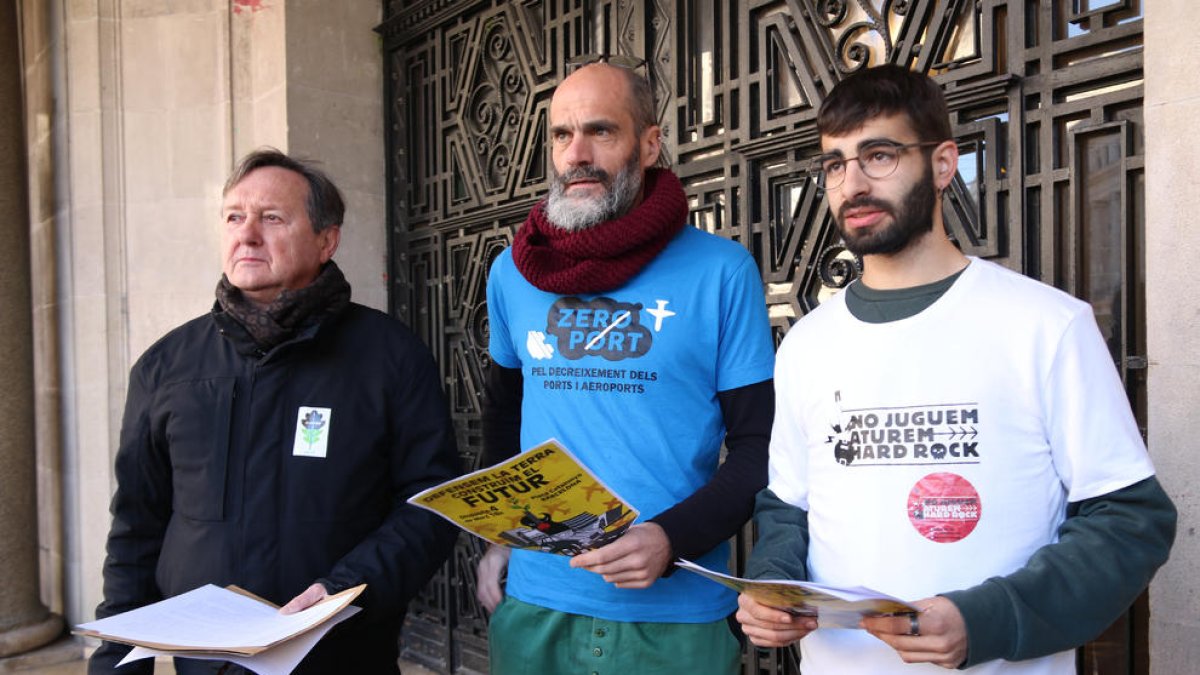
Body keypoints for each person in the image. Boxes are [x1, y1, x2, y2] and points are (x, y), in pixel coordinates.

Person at [735, 65, 1177, 674]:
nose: (852, 183)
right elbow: (788, 507)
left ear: (943, 164)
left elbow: (1130, 520)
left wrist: (984, 620)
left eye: (879, 155)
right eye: (835, 164)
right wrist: (773, 584)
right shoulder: (807, 342)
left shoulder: (1045, 325)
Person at [90, 149, 462, 674]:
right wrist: (116, 660)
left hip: (341, 655)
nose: (247, 234)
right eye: (234, 217)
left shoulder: (390, 357)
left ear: (326, 239)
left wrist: (344, 590)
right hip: (206, 663)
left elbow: (430, 504)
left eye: (271, 218)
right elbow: (137, 525)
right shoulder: (166, 366)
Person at [476, 60, 776, 673]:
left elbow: (760, 448)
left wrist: (669, 539)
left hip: (676, 618)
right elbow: (504, 420)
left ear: (649, 142)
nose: (576, 153)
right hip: (535, 608)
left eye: (601, 131)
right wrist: (495, 540)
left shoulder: (722, 271)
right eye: (561, 135)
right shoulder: (512, 272)